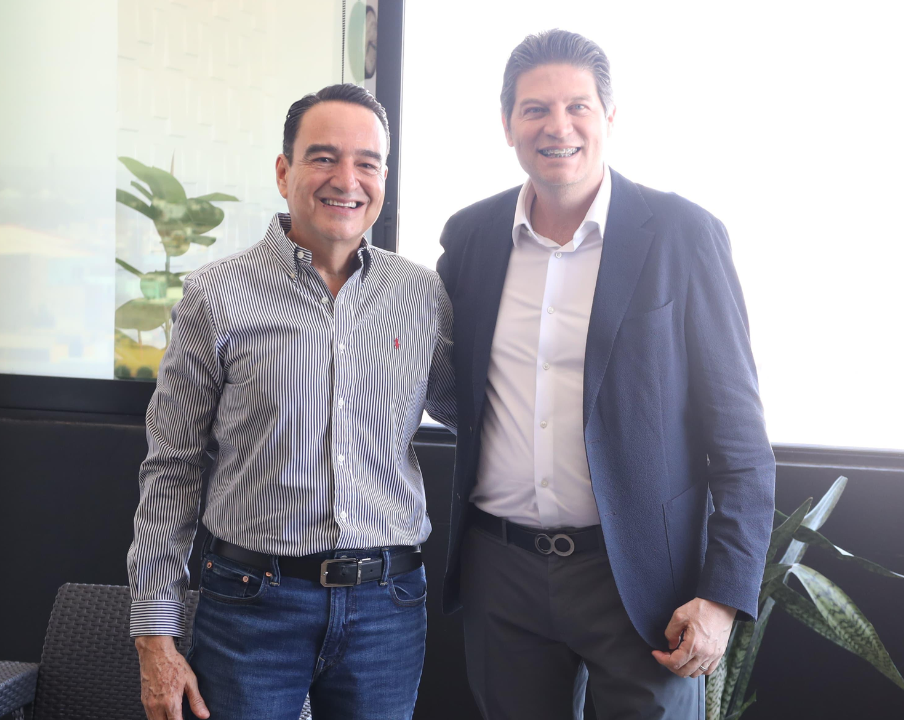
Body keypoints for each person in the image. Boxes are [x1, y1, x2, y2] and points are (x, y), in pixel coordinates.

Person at [435, 30, 776, 719]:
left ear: (610, 118)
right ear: (507, 124)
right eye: (535, 109)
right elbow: (452, 388)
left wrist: (722, 596)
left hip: (643, 582)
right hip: (502, 570)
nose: (556, 126)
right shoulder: (470, 236)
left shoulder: (684, 234)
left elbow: (740, 436)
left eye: (577, 107)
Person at [127, 83, 454, 720]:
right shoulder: (216, 295)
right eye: (323, 157)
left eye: (367, 163)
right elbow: (172, 466)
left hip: (387, 609)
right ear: (284, 172)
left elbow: (477, 413)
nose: (347, 180)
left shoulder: (422, 295)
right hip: (251, 605)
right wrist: (154, 636)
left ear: (383, 179)